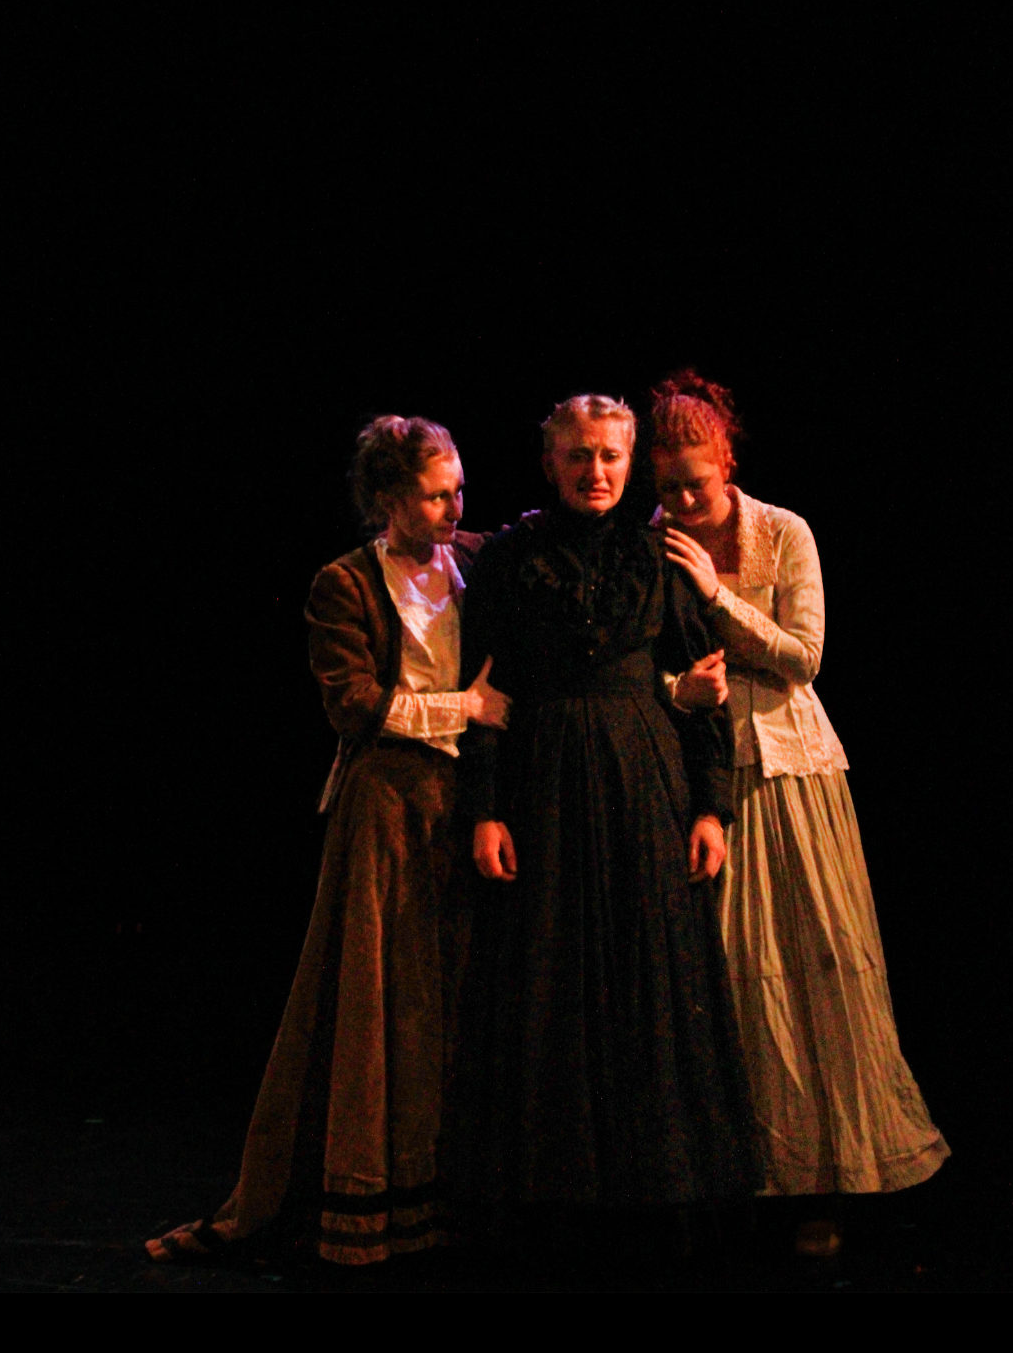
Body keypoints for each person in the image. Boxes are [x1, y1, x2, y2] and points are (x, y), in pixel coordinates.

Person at [146, 414, 510, 1269]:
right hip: (384, 804)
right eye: (434, 491)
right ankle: (360, 1203)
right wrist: (466, 706)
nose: (455, 503)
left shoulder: (481, 560)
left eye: (459, 485)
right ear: (388, 498)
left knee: (453, 998)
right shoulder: (344, 583)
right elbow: (354, 704)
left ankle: (452, 1196)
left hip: (469, 802)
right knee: (375, 1001)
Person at [451, 394, 759, 1255]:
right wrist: (484, 811)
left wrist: (710, 805)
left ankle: (657, 1194)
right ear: (551, 462)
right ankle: (552, 1199)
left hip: (643, 779)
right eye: (580, 457)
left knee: (650, 975)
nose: (596, 472)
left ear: (632, 465)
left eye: (612, 458)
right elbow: (483, 692)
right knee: (548, 979)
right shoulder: (512, 558)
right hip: (543, 781)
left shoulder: (659, 554)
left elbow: (704, 688)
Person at [648, 370, 949, 1247]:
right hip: (702, 776)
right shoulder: (651, 541)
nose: (681, 497)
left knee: (816, 968)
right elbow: (640, 672)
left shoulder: (781, 531)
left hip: (792, 772)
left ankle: (825, 1175)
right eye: (666, 485)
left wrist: (713, 594)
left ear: (727, 458)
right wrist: (678, 687)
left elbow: (802, 656)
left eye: (694, 480)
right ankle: (741, 1172)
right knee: (728, 978)